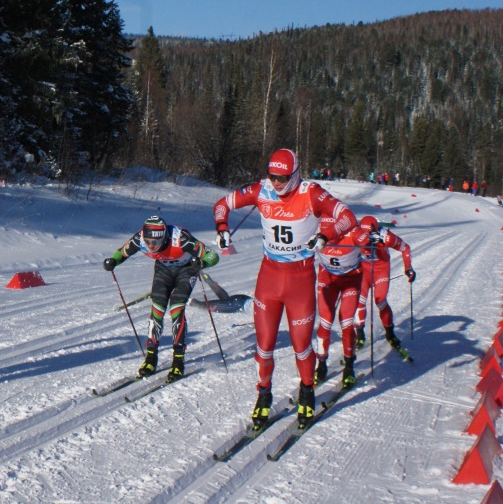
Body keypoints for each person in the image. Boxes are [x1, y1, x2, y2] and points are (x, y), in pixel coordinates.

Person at [213, 149, 356, 430]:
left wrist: (326, 234)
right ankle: (263, 394)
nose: (277, 183)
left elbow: (348, 217)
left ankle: (307, 390)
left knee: (301, 346)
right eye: (272, 176)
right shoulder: (261, 190)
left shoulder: (311, 192)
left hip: (300, 280)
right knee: (264, 347)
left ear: (295, 173)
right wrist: (222, 228)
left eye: (282, 177)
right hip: (269, 278)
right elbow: (221, 204)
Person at [103, 215, 219, 383]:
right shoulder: (140, 238)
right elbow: (122, 252)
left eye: (156, 243)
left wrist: (202, 264)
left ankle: (178, 360)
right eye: (148, 242)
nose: (151, 246)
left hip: (186, 270)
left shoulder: (181, 239)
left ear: (165, 237)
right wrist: (113, 261)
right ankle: (151, 358)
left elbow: (212, 256)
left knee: (176, 309)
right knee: (157, 309)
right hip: (163, 270)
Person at [313, 217, 372, 389]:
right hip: (327, 278)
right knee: (325, 320)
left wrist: (369, 246)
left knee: (346, 322)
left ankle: (349, 366)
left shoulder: (353, 232)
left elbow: (368, 247)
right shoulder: (316, 231)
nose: (328, 237)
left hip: (350, 279)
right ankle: (321, 364)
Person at [354, 215, 416, 350]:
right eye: (362, 234)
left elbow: (405, 248)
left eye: (369, 235)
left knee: (380, 300)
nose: (365, 238)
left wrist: (408, 267)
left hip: (380, 269)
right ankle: (359, 334)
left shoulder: (386, 237)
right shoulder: (355, 232)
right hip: (364, 269)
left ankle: (390, 332)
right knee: (360, 300)